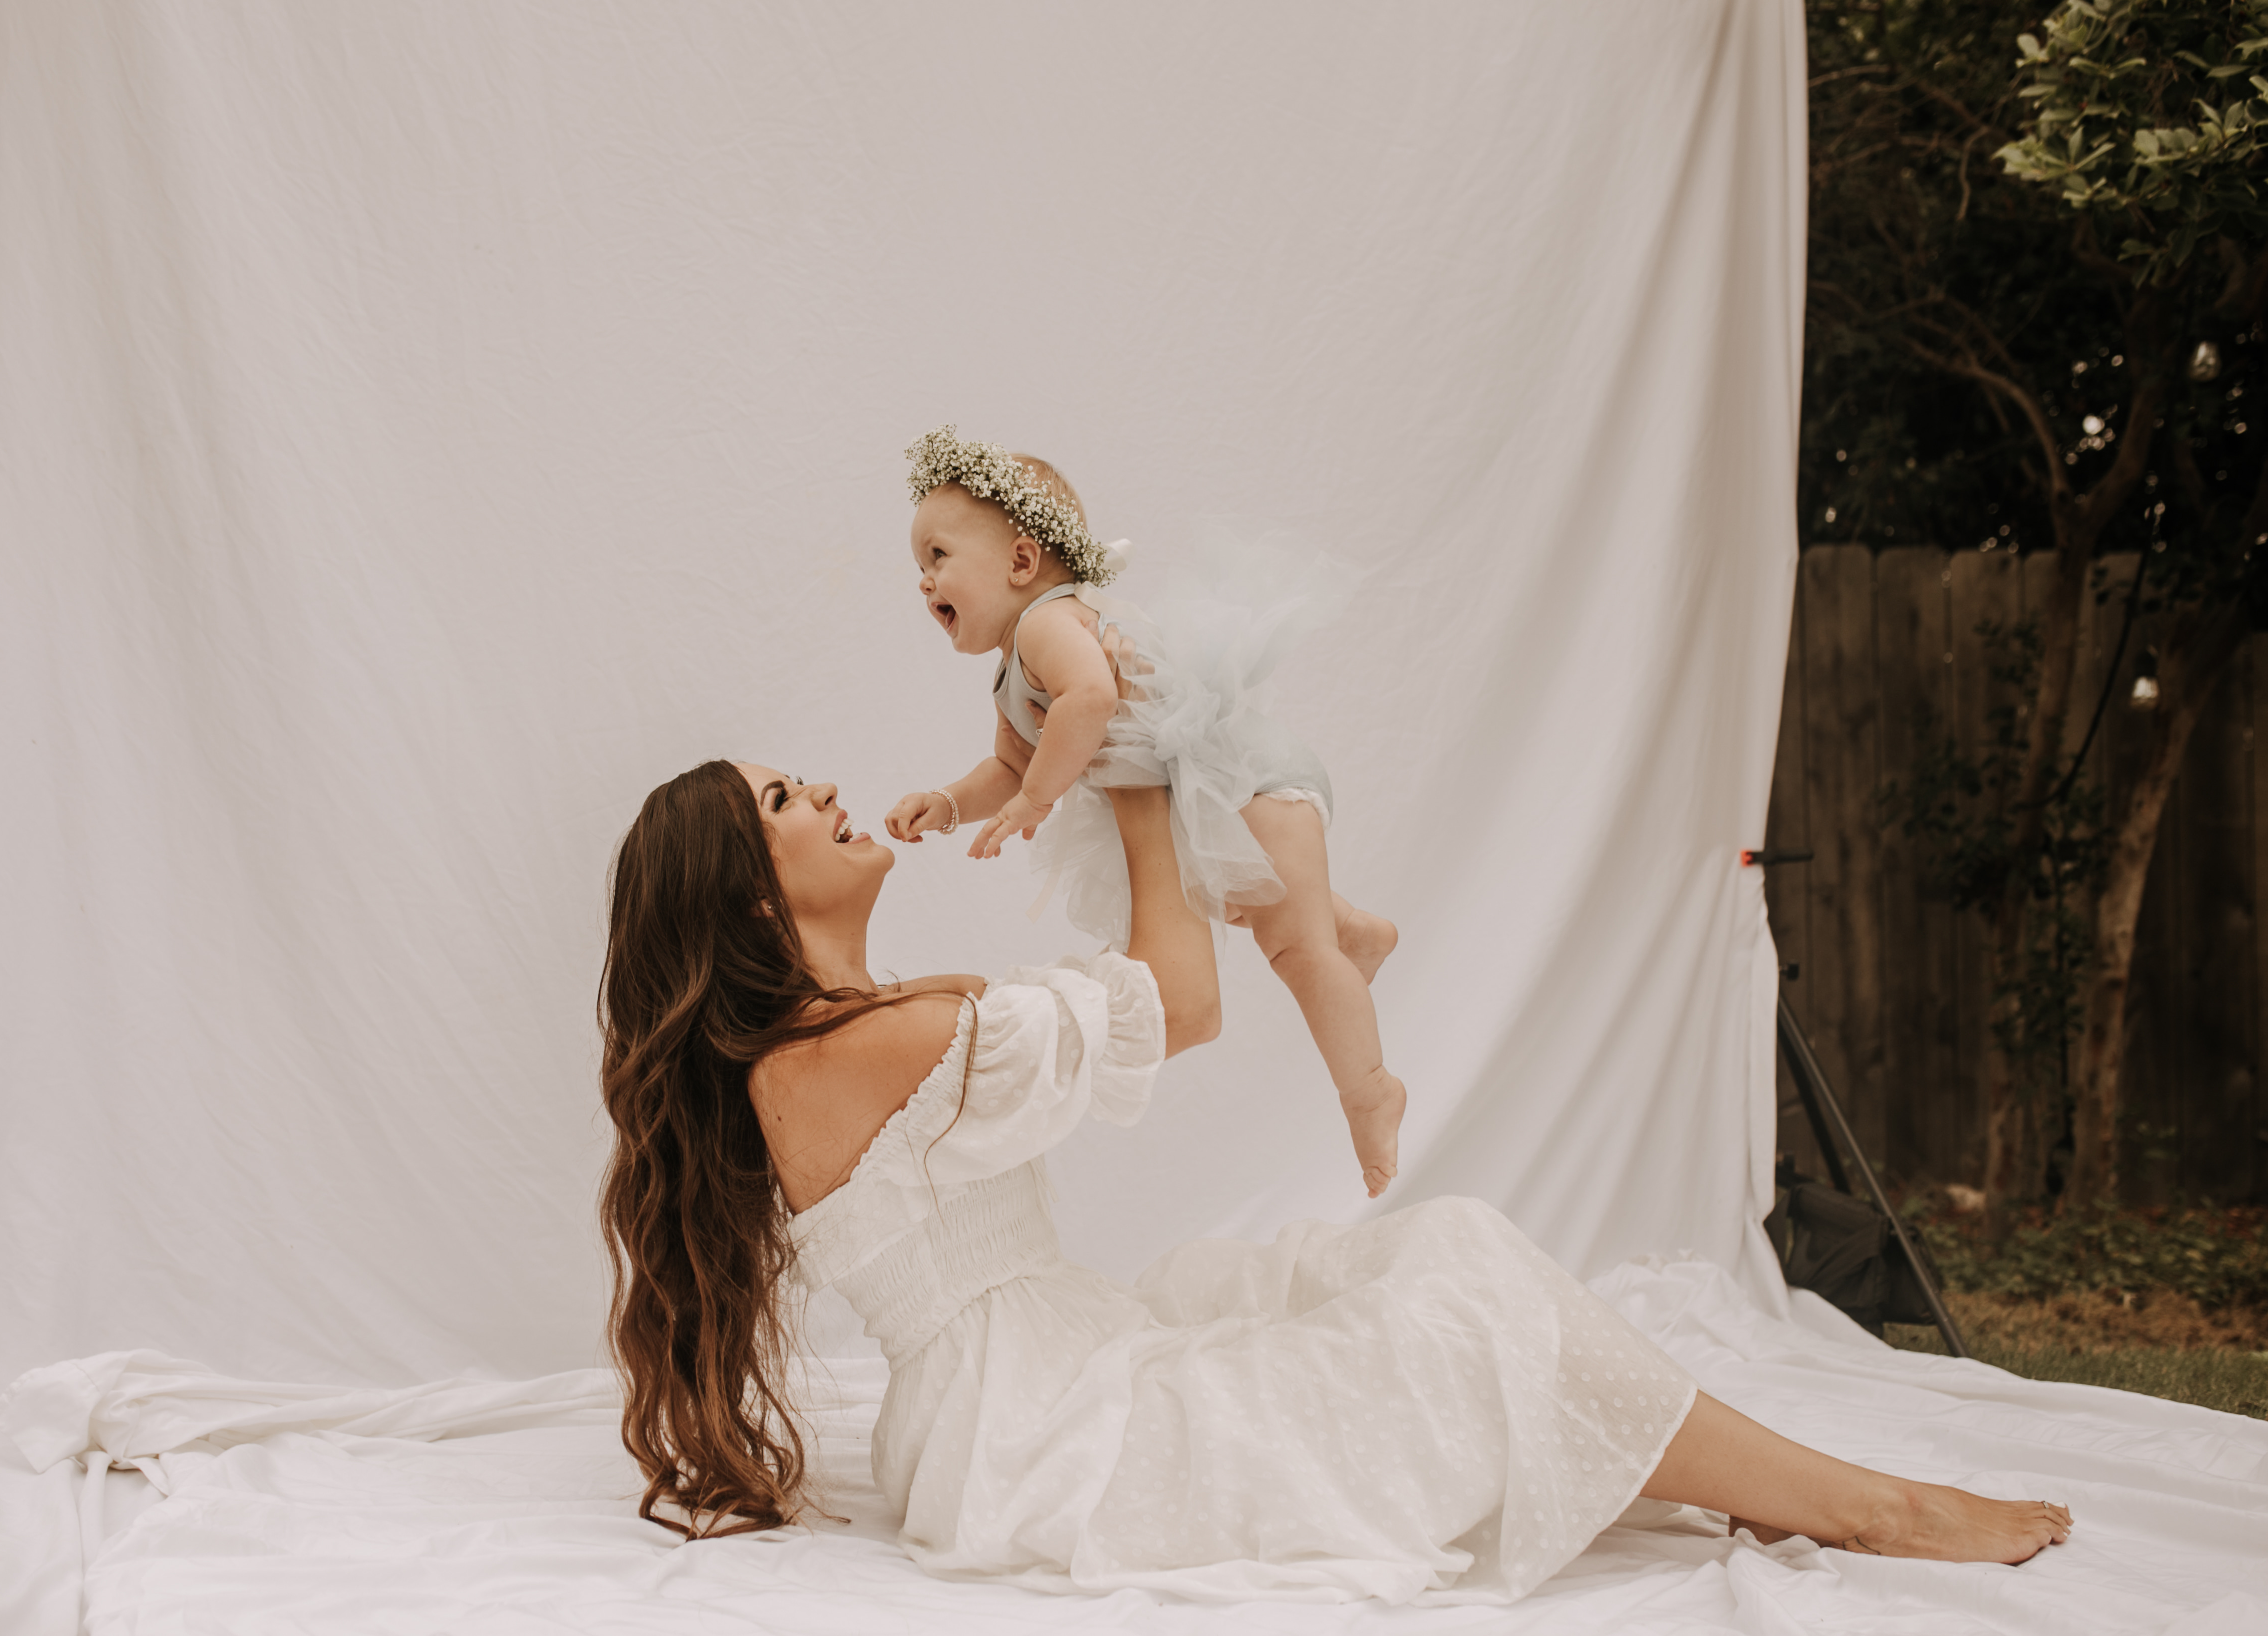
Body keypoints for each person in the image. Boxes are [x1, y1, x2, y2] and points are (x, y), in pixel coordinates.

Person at [595, 755, 2072, 1602]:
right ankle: (1866, 1506)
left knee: (1408, 1260)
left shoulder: (848, 1034)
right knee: (1460, 1307)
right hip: (1051, 1431)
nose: (828, 787)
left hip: (1035, 1372)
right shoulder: (849, 1047)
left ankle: (1782, 1485)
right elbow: (1182, 1004)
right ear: (746, 885)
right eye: (787, 797)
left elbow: (1097, 1009)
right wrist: (1140, 787)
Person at [884, 425, 1405, 1198]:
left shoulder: (1046, 626)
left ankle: (1369, 1088)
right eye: (918, 566)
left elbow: (1091, 698)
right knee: (1248, 901)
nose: (924, 583)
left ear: (1023, 561)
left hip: (1247, 783)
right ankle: (1353, 926)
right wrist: (954, 803)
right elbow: (1010, 763)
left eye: (938, 558)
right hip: (1210, 798)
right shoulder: (1011, 672)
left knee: (1294, 949)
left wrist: (1036, 801)